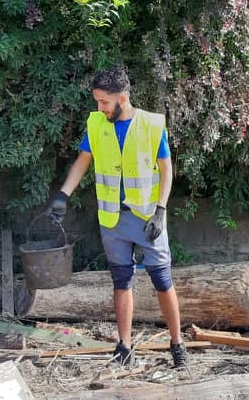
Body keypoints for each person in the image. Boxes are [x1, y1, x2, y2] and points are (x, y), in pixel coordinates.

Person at [48, 68, 187, 369]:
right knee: (121, 280)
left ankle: (177, 345)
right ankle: (124, 346)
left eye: (104, 103)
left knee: (163, 280)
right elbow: (82, 162)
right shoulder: (97, 124)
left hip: (148, 218)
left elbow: (166, 171)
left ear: (122, 98)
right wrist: (63, 195)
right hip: (112, 218)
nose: (100, 108)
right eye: (97, 101)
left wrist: (160, 211)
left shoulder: (151, 125)